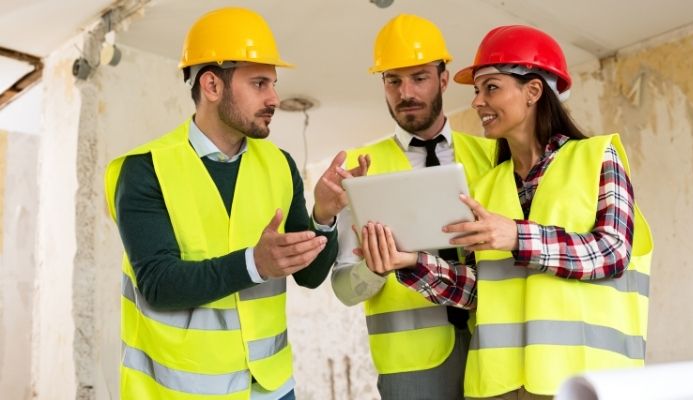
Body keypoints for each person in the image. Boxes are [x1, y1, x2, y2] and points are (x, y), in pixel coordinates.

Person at [358, 25, 654, 399]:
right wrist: (410, 263)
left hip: (583, 383)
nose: (478, 102)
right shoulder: (487, 186)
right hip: (501, 386)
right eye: (477, 91)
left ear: (533, 91)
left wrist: (516, 236)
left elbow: (612, 253)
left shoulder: (596, 157)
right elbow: (483, 291)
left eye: (491, 88)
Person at [104, 7, 367, 400]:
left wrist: (324, 215)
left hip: (272, 388)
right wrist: (255, 264)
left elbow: (309, 277)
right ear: (212, 86)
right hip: (177, 392)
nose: (274, 98)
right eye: (259, 83)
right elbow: (158, 285)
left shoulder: (279, 164)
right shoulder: (145, 170)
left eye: (274, 84)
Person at [329, 14, 496, 400]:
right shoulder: (357, 169)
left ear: (443, 78)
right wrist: (372, 269)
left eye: (419, 77)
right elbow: (343, 289)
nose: (406, 92)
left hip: (496, 349)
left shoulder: (493, 156)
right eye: (393, 80)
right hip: (410, 369)